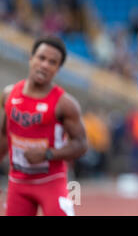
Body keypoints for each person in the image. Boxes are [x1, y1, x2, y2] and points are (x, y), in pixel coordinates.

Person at [0, 35, 88, 216]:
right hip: (18, 183)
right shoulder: (9, 94)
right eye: (41, 58)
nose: (45, 65)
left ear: (58, 69)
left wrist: (48, 154)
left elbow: (81, 144)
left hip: (51, 182)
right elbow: (4, 135)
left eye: (52, 62)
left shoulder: (65, 104)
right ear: (31, 58)